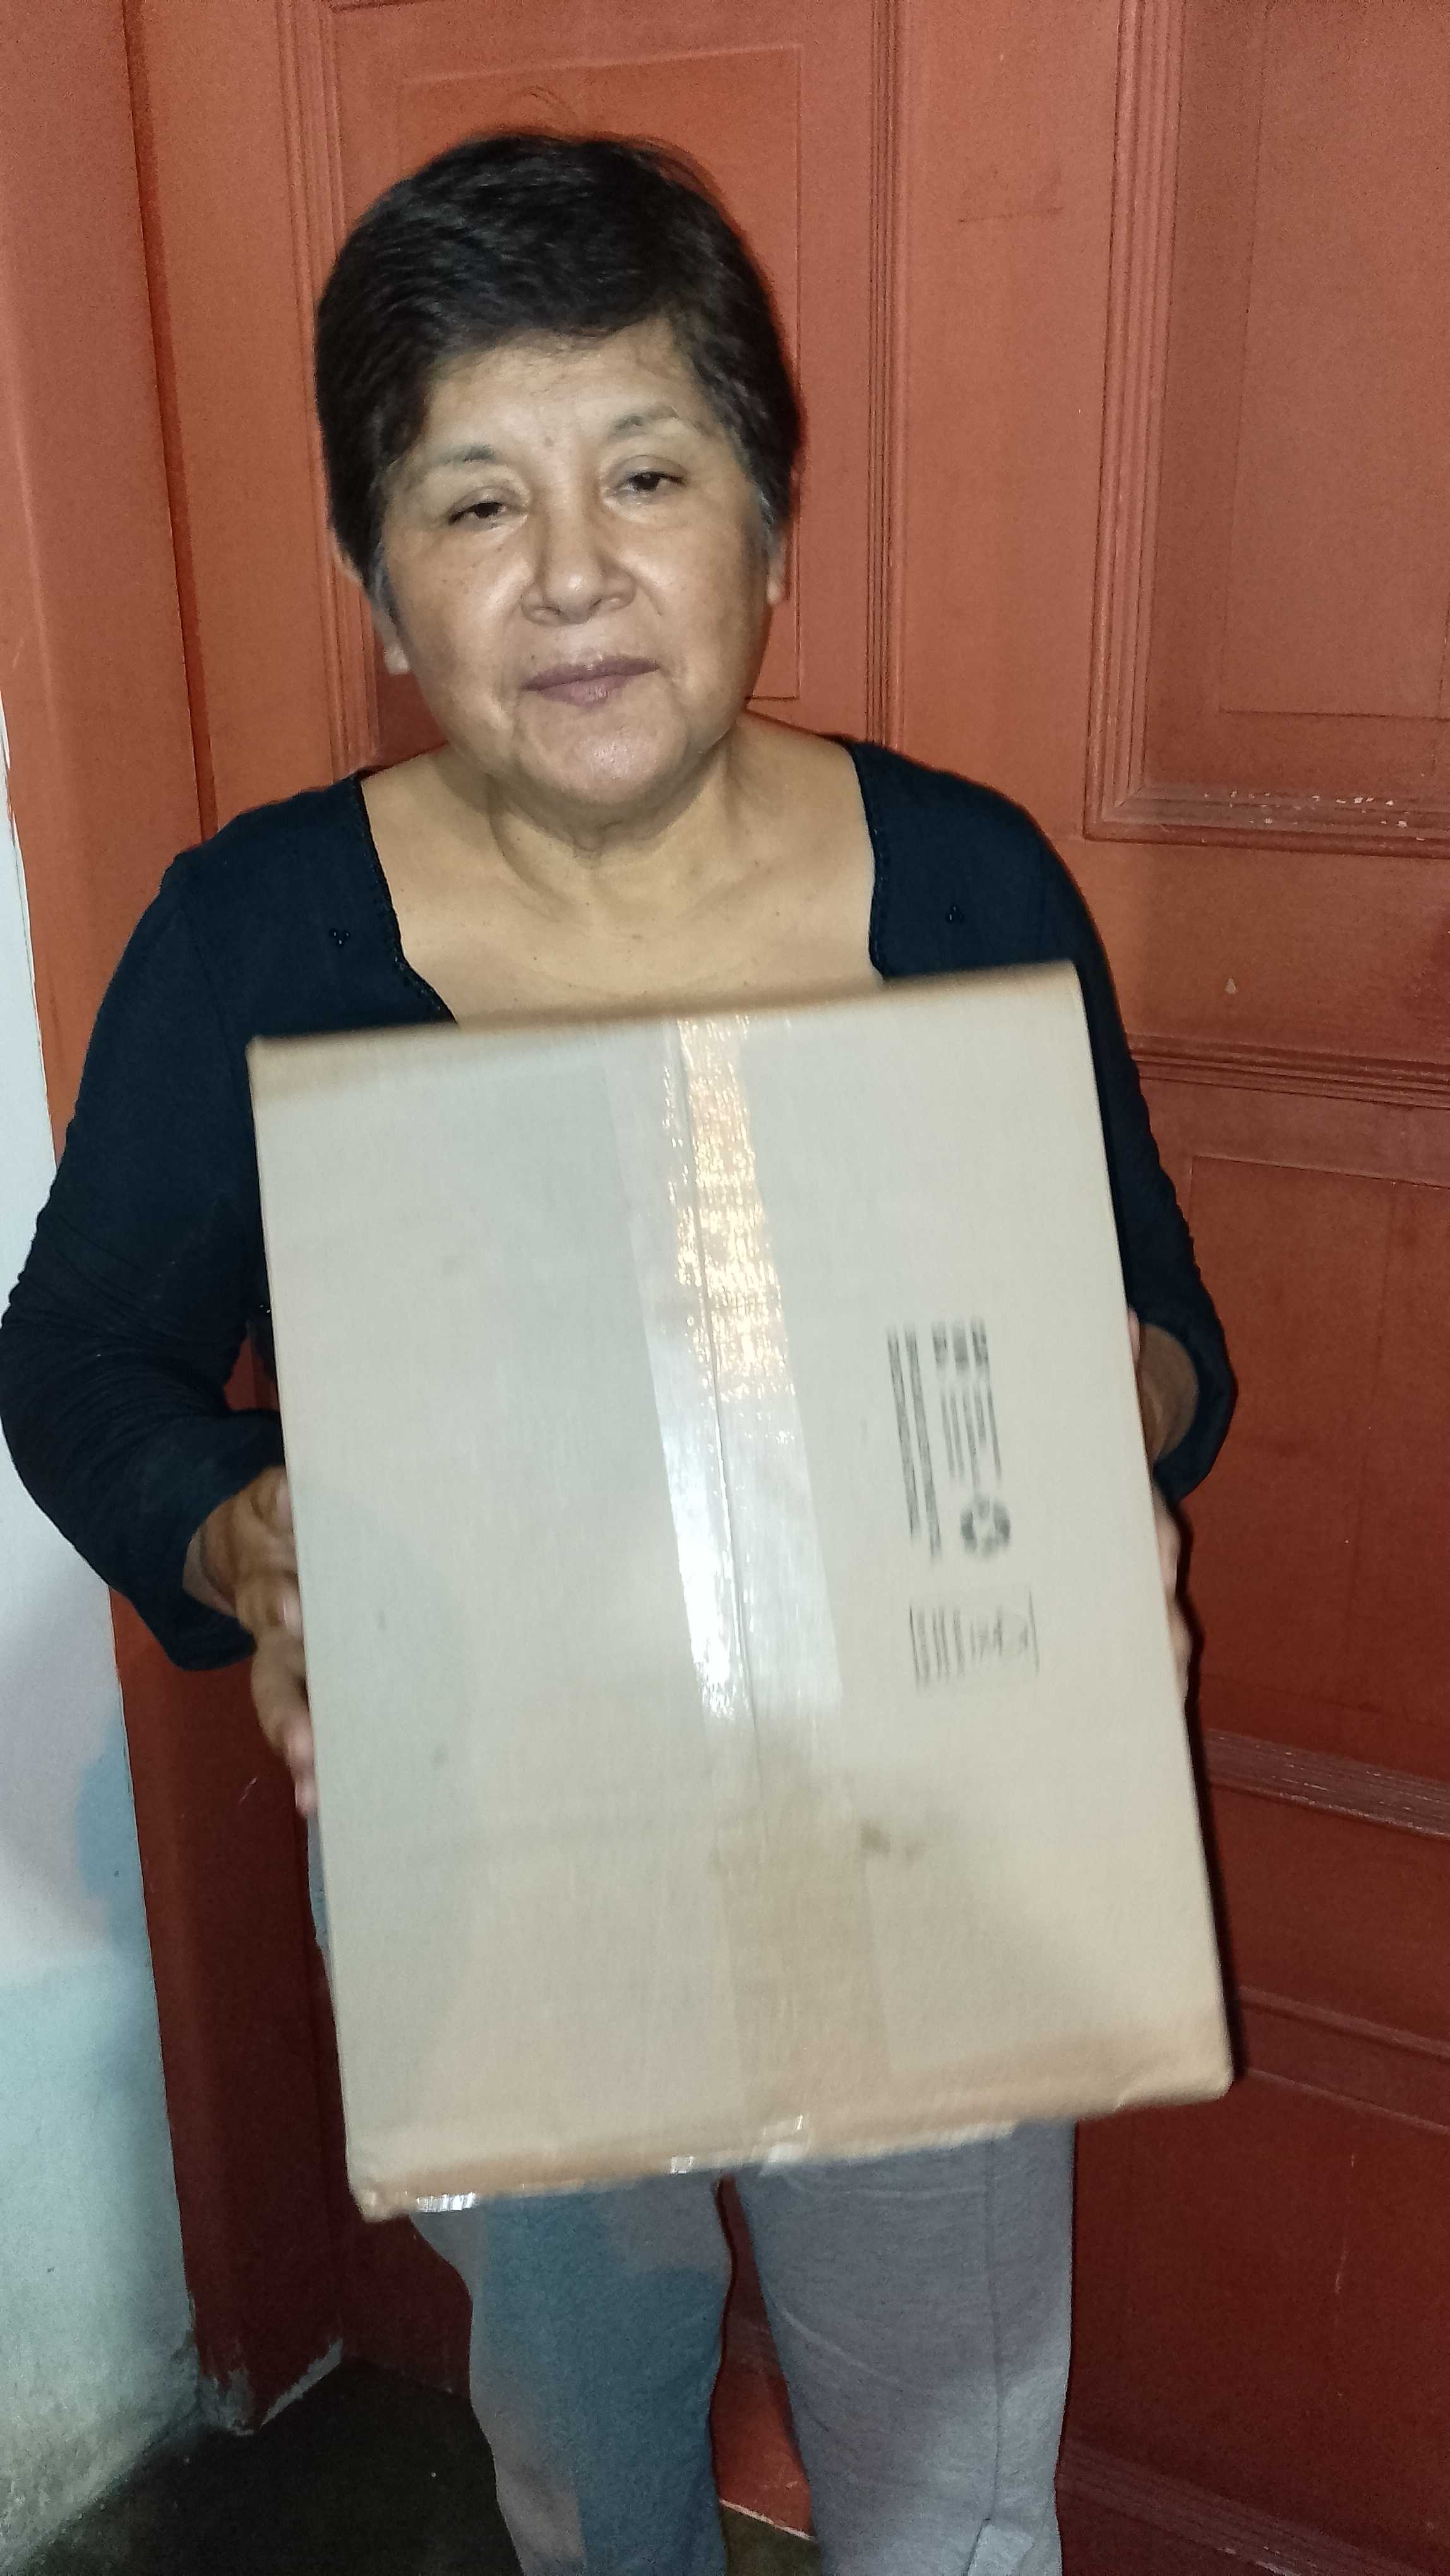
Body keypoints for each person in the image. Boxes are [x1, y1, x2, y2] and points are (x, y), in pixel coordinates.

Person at [0, 134, 1231, 2576]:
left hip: (940, 1830)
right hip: (502, 1854)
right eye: (475, 502)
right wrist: (243, 1535)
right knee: (585, 2455)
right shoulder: (259, 935)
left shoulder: (965, 883)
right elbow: (76, 1360)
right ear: (379, 583)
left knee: (953, 2490)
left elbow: (1165, 1328)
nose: (572, 572)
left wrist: (1109, 1442)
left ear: (768, 528)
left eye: (648, 474)